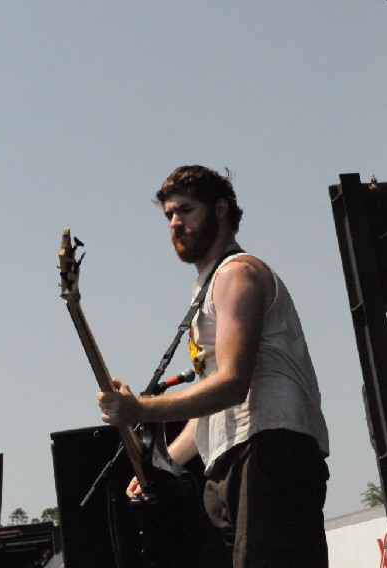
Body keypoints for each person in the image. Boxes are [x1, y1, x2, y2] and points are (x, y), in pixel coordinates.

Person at [98, 165, 330, 568]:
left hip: (269, 450)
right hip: (235, 456)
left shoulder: (237, 274)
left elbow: (231, 384)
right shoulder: (207, 287)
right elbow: (212, 408)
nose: (175, 223)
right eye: (168, 215)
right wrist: (161, 464)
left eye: (185, 210)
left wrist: (140, 409)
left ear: (220, 209)